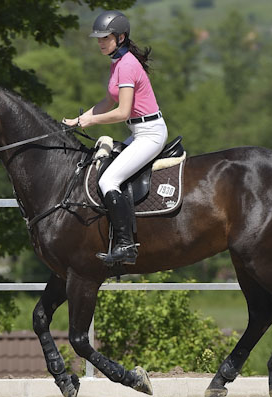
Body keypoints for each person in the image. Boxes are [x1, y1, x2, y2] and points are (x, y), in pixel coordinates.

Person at [63, 10, 168, 266]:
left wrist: (92, 121)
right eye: (98, 38)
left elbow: (121, 111)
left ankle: (126, 245)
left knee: (109, 178)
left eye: (105, 37)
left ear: (120, 37)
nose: (100, 42)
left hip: (151, 134)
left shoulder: (128, 64)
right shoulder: (117, 62)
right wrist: (77, 120)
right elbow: (107, 101)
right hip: (139, 132)